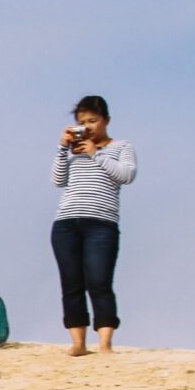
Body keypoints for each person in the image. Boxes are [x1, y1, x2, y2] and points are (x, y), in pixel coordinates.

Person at [51, 94, 137, 355]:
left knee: (99, 281)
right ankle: (78, 343)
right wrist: (61, 148)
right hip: (66, 222)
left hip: (101, 223)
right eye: (82, 122)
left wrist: (96, 153)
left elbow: (126, 175)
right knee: (71, 283)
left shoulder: (122, 147)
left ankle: (105, 343)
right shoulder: (74, 149)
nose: (87, 127)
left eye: (92, 121)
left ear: (106, 120)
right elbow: (57, 180)